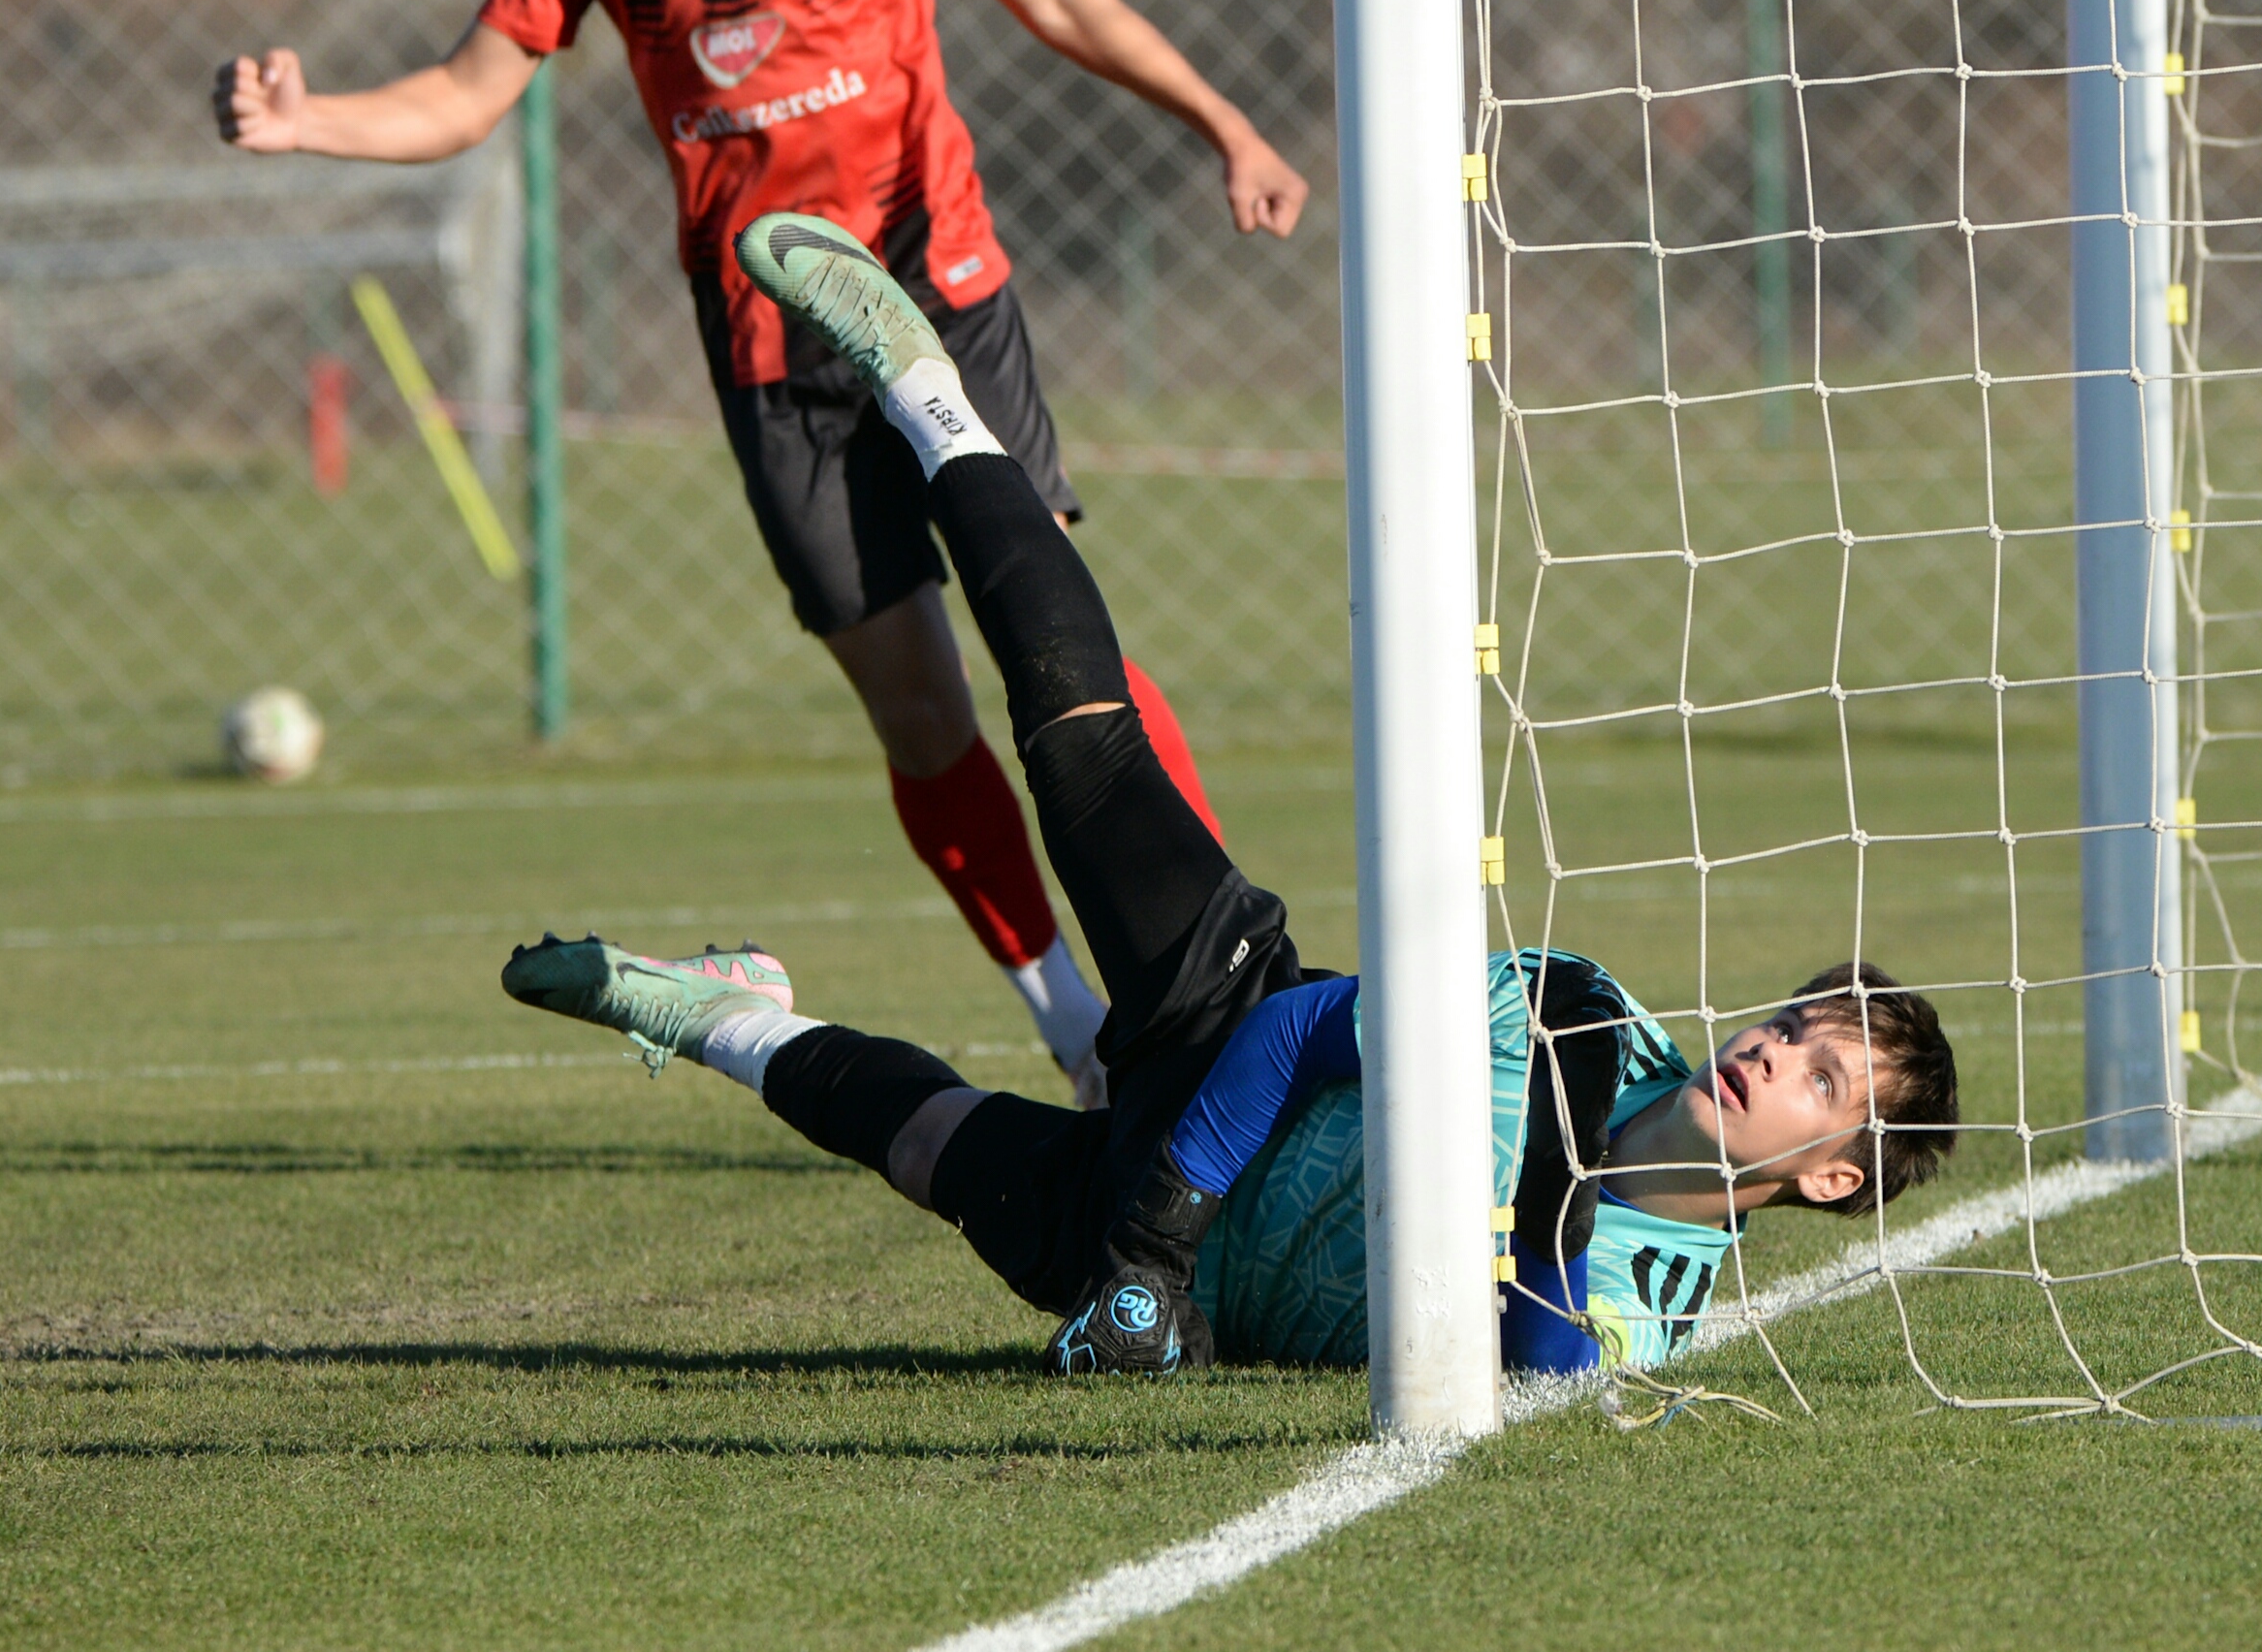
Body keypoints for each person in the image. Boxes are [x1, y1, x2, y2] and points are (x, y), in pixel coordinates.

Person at [502, 213, 1959, 1376]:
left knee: (928, 1142)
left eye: (1820, 1079)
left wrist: (1561, 1218)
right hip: (1221, 1031)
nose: (1771, 1056)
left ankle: (720, 1010)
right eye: (1791, 1026)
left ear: (1831, 1181)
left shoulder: (1660, 1299)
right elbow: (1305, 1028)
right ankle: (923, 385)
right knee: (1083, 738)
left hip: (1187, 1285)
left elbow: (1542, 1357)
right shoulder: (1569, 1018)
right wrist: (1158, 1233)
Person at [215, 0, 1309, 1103]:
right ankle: (1071, 1022)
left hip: (942, 303)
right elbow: (471, 91)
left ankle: (1219, 979)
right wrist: (309, 121)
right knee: (919, 707)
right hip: (769, 362)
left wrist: (1222, 121)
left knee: (1056, 646)